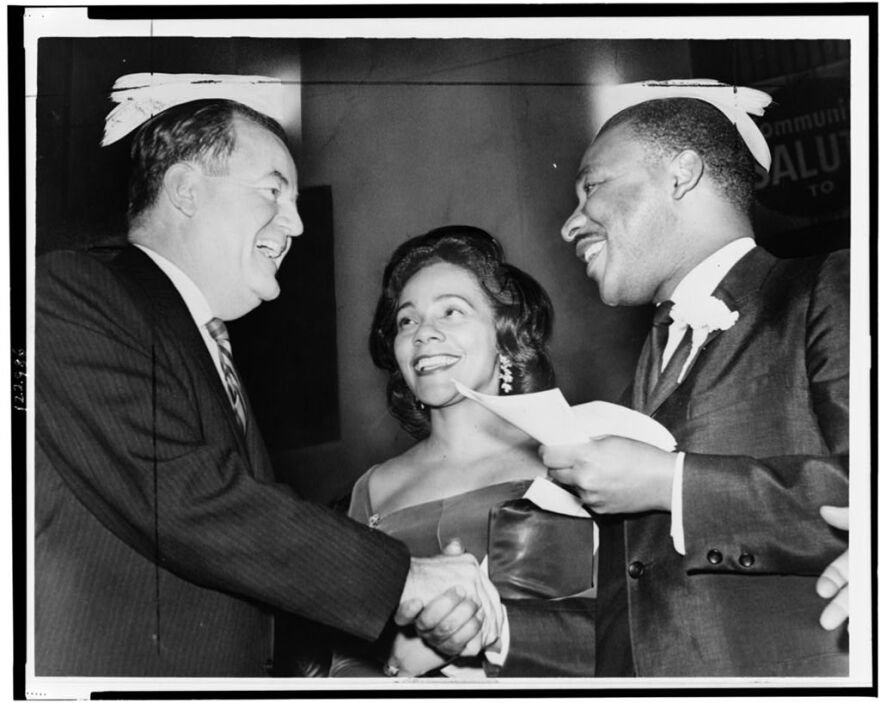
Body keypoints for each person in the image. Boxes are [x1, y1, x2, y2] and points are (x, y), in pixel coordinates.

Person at [34, 80, 500, 676]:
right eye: (274, 193)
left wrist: (394, 656)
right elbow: (182, 498)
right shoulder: (74, 291)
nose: (298, 226)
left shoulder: (201, 340)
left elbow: (242, 566)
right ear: (185, 190)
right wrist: (403, 579)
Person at [541, 80, 849, 676]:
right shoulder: (651, 359)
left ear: (681, 174)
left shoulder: (831, 287)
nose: (569, 225)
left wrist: (671, 483)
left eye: (592, 187)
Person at [331, 226, 596, 677]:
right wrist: (398, 667)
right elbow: (342, 652)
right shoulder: (372, 488)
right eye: (407, 321)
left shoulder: (573, 459)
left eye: (451, 312)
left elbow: (630, 630)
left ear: (506, 336)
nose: (424, 333)